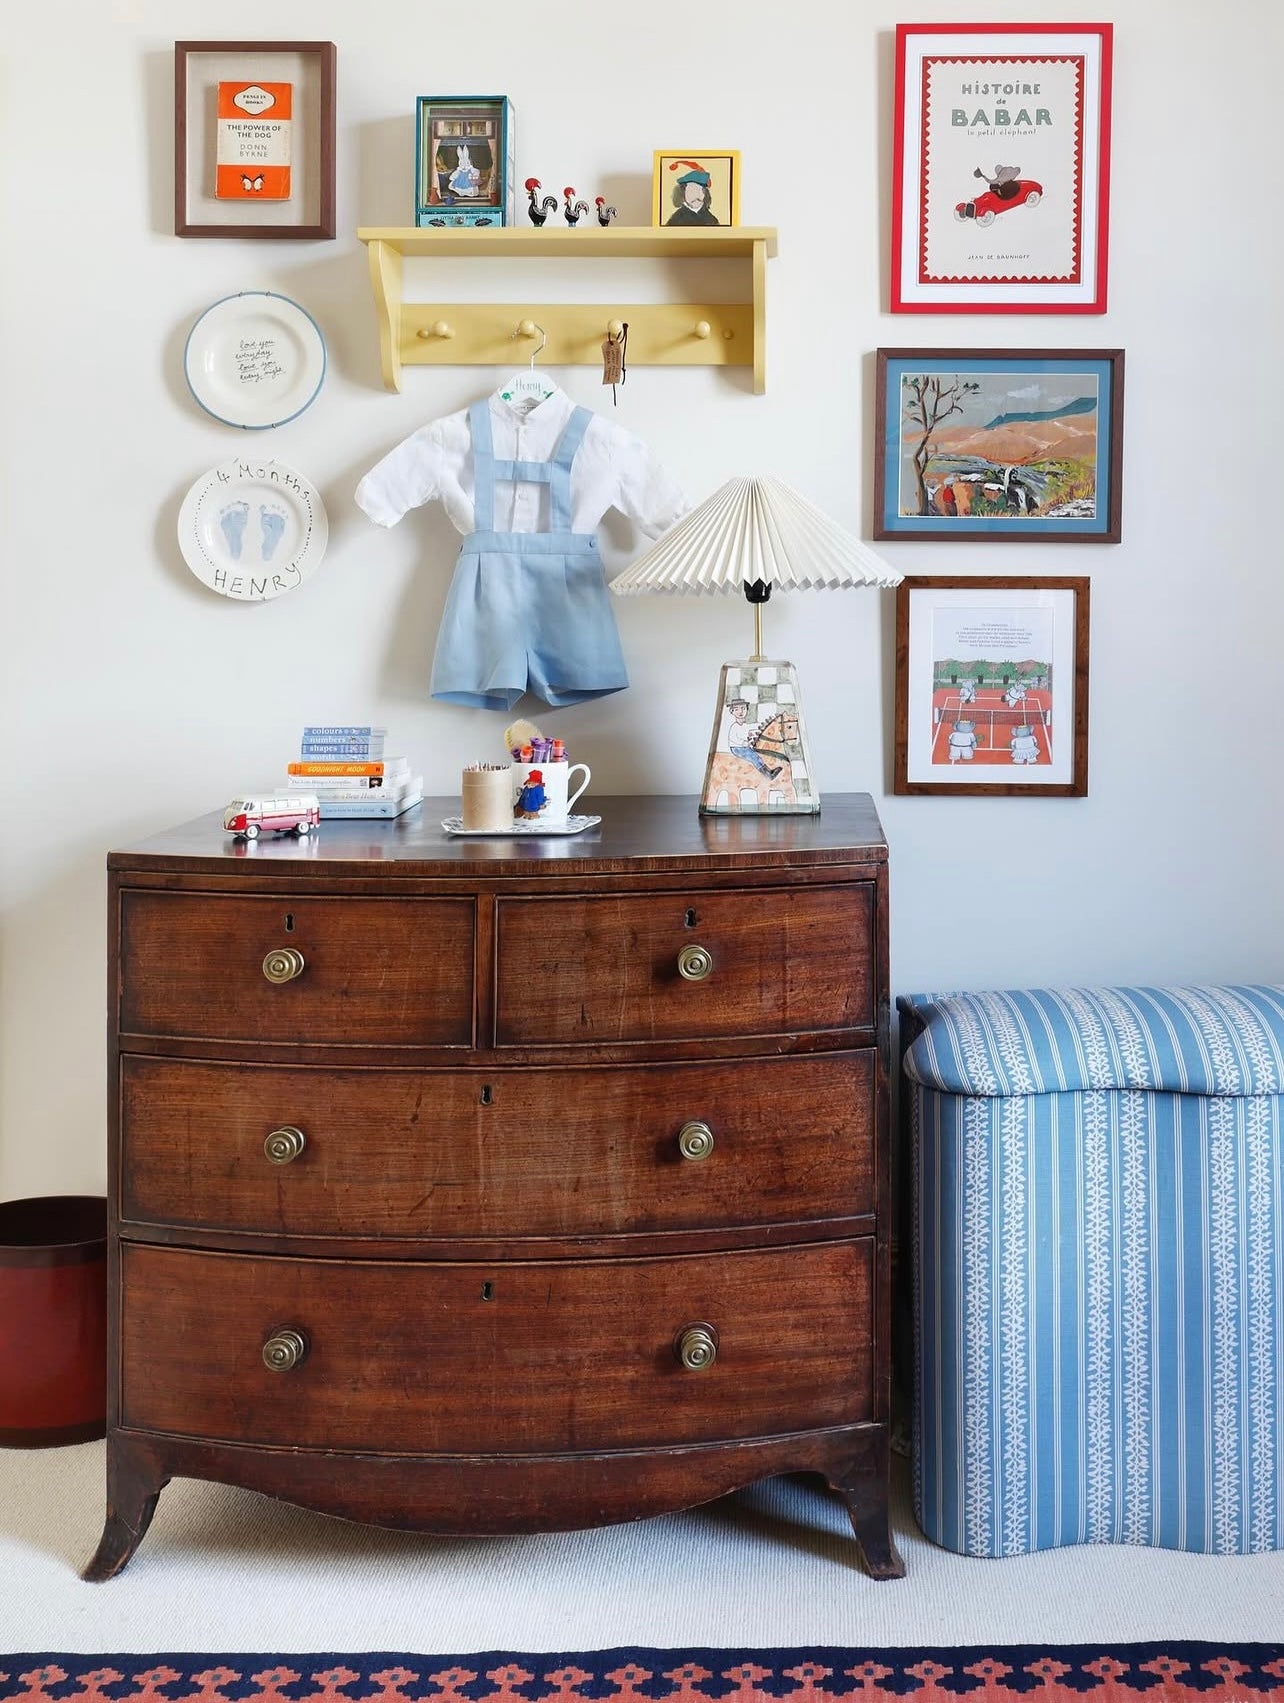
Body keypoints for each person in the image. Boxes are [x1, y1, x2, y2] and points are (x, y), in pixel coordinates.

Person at [721, 698, 782, 777]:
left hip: (743, 747)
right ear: (732, 712)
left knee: (758, 752)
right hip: (737, 748)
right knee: (753, 756)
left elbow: (755, 726)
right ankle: (768, 774)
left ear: (747, 709)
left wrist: (771, 721)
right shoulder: (734, 726)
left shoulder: (745, 726)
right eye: (736, 709)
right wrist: (744, 743)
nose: (740, 712)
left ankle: (768, 769)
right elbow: (733, 739)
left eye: (743, 708)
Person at [666, 161, 719, 226]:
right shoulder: (674, 220)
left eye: (701, 191)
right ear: (682, 192)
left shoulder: (712, 220)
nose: (698, 195)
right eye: (692, 190)